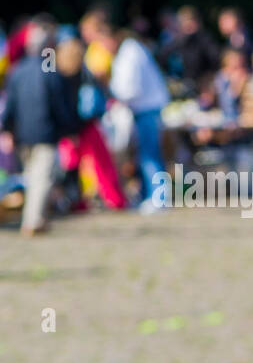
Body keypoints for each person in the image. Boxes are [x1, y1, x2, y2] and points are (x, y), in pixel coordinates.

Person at [84, 16, 170, 210]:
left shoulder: (130, 52)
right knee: (145, 154)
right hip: (141, 109)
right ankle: (151, 195)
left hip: (147, 109)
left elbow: (130, 89)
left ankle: (160, 198)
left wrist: (111, 94)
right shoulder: (128, 51)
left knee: (150, 154)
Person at [0, 21, 79, 234]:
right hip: (44, 133)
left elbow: (10, 105)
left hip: (23, 135)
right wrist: (70, 131)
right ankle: (32, 221)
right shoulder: (50, 72)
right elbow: (60, 107)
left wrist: (7, 130)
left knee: (33, 178)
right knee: (41, 179)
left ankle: (37, 218)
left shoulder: (16, 72)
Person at [54, 36, 127, 211]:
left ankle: (75, 201)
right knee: (103, 166)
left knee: (71, 168)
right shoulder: (85, 73)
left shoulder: (58, 76)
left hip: (68, 129)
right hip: (87, 125)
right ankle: (115, 199)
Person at [158, 6, 222, 90]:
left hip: (202, 87)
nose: (189, 27)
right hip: (181, 86)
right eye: (186, 23)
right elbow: (161, 59)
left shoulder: (205, 40)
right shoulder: (177, 42)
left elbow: (216, 60)